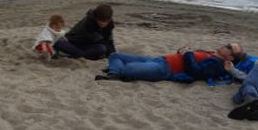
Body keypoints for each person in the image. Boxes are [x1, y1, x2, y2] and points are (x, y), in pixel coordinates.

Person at [96, 44, 238, 83]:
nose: (226, 45)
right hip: (160, 59)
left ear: (230, 58)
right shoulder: (210, 53)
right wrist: (183, 51)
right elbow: (188, 57)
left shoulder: (217, 65)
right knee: (115, 55)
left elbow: (195, 72)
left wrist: (187, 54)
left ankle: (116, 71)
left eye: (229, 47)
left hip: (166, 69)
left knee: (128, 70)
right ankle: (114, 73)